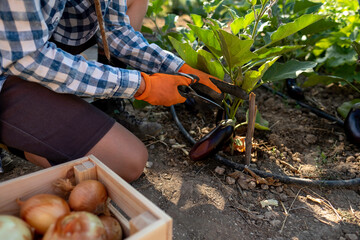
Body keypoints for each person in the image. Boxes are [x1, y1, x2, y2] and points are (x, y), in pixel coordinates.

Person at [0, 0, 221, 182]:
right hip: (11, 66)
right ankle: (16, 142)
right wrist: (141, 85)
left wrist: (177, 67)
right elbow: (29, 58)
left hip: (33, 50)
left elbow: (114, 30)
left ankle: (87, 108)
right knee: (129, 162)